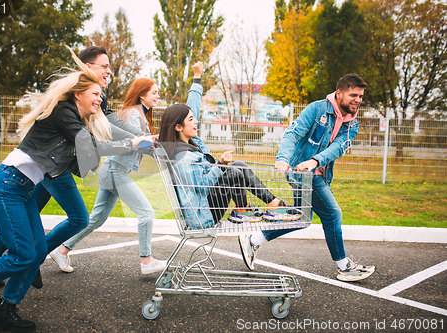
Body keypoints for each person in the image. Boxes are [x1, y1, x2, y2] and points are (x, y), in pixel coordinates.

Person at [0, 49, 153, 333]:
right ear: (78, 93)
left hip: (20, 191)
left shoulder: (79, 122)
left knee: (36, 250)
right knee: (23, 254)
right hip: (5, 185)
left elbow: (86, 157)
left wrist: (133, 142)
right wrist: (132, 143)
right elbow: (92, 149)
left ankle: (6, 310)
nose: (100, 100)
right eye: (95, 94)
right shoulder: (63, 111)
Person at [238, 74, 376, 282]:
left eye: (361, 96)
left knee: (302, 220)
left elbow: (338, 148)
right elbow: (292, 133)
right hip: (299, 173)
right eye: (353, 95)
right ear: (339, 94)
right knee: (332, 215)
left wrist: (316, 161)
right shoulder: (317, 109)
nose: (358, 100)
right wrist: (283, 158)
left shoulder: (352, 124)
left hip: (316, 172)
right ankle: (344, 266)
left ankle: (253, 239)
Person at [49, 70, 177, 275]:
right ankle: (147, 262)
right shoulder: (134, 114)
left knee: (97, 219)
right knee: (146, 212)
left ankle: (62, 250)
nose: (157, 96)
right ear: (142, 94)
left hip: (112, 169)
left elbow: (143, 143)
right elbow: (137, 143)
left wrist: (161, 151)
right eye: (154, 92)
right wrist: (162, 146)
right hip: (115, 170)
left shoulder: (140, 114)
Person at [158, 64, 303, 230]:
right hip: (203, 215)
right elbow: (201, 187)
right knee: (233, 172)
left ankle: (263, 205)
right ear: (178, 127)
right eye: (191, 120)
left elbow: (193, 107)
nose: (196, 121)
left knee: (238, 165)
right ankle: (252, 209)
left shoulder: (191, 142)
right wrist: (220, 164)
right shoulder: (182, 157)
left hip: (208, 205)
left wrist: (197, 78)